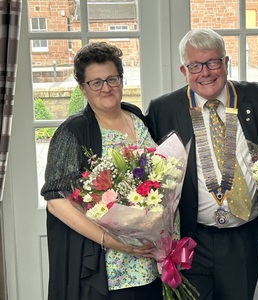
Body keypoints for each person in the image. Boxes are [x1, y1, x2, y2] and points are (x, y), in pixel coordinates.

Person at [146, 28, 258, 300]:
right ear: (184, 71)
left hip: (244, 237)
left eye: (213, 62)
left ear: (226, 63)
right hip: (191, 240)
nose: (205, 72)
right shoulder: (163, 110)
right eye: (195, 65)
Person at [41, 42, 163, 300]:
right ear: (83, 88)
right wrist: (113, 241)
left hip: (149, 261)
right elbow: (56, 202)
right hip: (108, 269)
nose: (106, 88)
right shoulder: (72, 132)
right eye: (95, 82)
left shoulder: (138, 118)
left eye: (112, 79)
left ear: (121, 79)